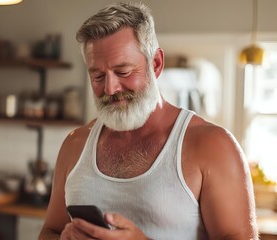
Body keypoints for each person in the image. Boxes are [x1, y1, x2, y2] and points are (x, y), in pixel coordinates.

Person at [39, 2, 258, 240]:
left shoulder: (214, 146)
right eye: (98, 76)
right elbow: (49, 231)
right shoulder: (75, 144)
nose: (110, 88)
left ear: (156, 64)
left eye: (123, 72)